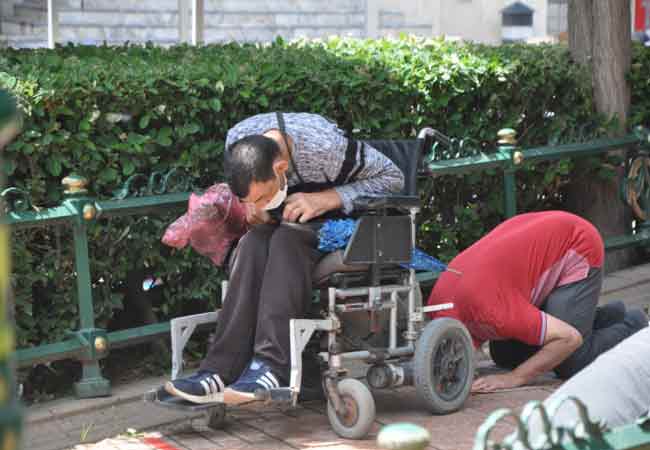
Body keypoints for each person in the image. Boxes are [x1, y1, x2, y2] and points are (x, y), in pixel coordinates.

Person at [165, 112, 404, 404]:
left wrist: (327, 198)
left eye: (262, 197)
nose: (257, 206)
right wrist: (252, 208)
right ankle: (220, 369)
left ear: (281, 168)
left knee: (286, 240)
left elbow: (394, 178)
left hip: (341, 224)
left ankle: (272, 366)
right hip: (287, 221)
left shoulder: (324, 148)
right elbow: (249, 199)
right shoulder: (237, 139)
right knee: (253, 241)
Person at [427, 210, 647, 393]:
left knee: (570, 359)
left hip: (577, 243)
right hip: (539, 242)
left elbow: (569, 339)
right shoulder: (438, 307)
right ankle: (605, 315)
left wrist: (515, 378)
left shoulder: (493, 313)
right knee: (504, 353)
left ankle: (634, 322)